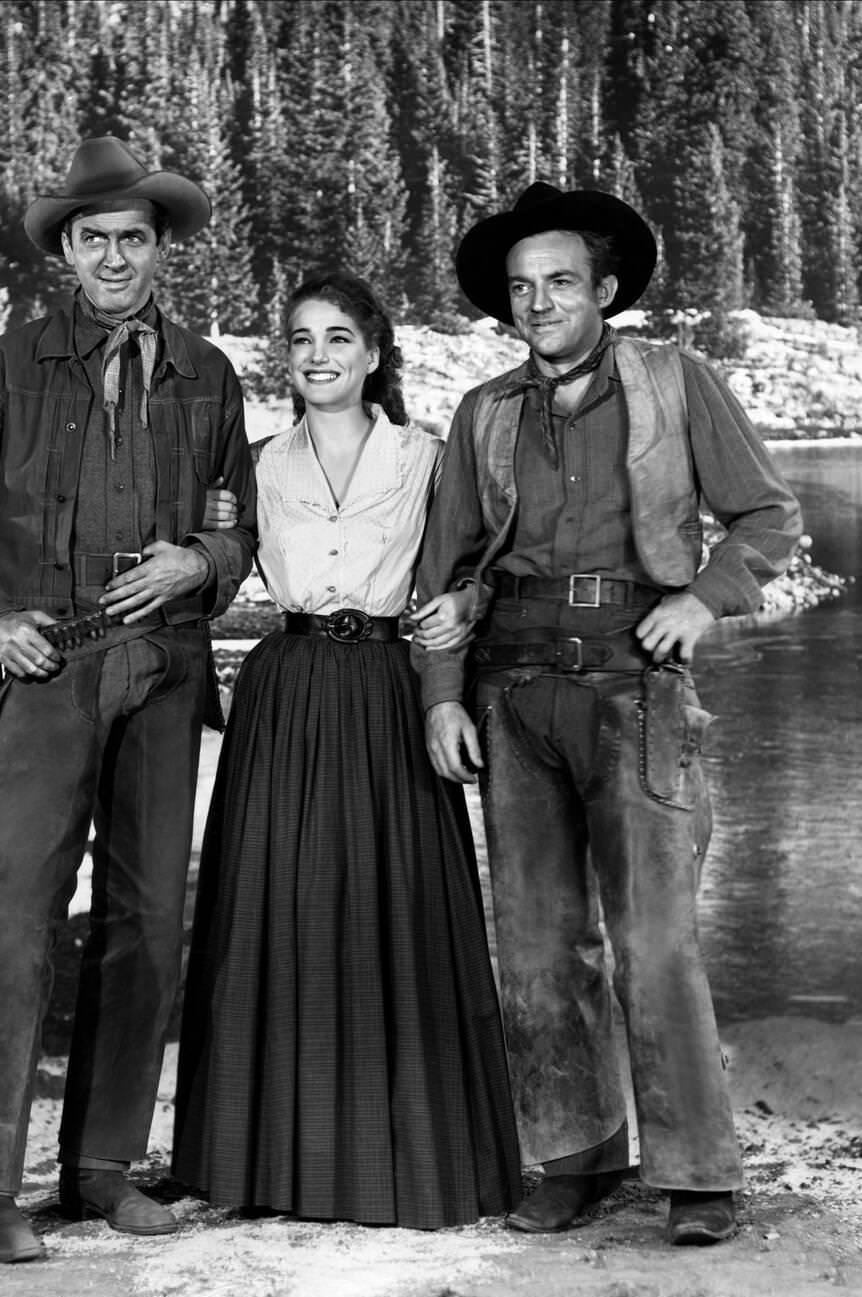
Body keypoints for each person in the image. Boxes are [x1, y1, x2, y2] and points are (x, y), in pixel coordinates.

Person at [412, 182, 803, 1245]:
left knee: (655, 938)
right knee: (535, 943)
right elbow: (443, 569)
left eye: (559, 283)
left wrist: (702, 596)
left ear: (605, 289)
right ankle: (575, 1157)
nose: (537, 302)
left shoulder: (675, 384)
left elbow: (766, 515)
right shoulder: (484, 412)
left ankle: (696, 1175)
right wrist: (443, 695)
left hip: (638, 686)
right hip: (513, 691)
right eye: (519, 288)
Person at [0, 136, 257, 1263]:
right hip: (46, 670)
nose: (114, 257)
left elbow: (236, 518)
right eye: (93, 239)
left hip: (161, 670)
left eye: (133, 239)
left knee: (148, 922)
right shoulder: (10, 367)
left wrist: (202, 561)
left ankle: (101, 1166)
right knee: (16, 925)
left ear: (161, 251)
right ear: (67, 251)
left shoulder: (207, 373)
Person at [170, 271, 523, 1229]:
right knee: (274, 901)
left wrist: (473, 603)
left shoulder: (428, 458)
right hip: (284, 687)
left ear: (374, 354)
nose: (318, 355)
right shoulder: (254, 464)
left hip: (385, 687)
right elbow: (218, 559)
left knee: (392, 902)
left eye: (338, 338)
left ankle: (404, 1156)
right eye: (300, 339)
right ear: (284, 358)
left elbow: (479, 568)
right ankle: (265, 1159)